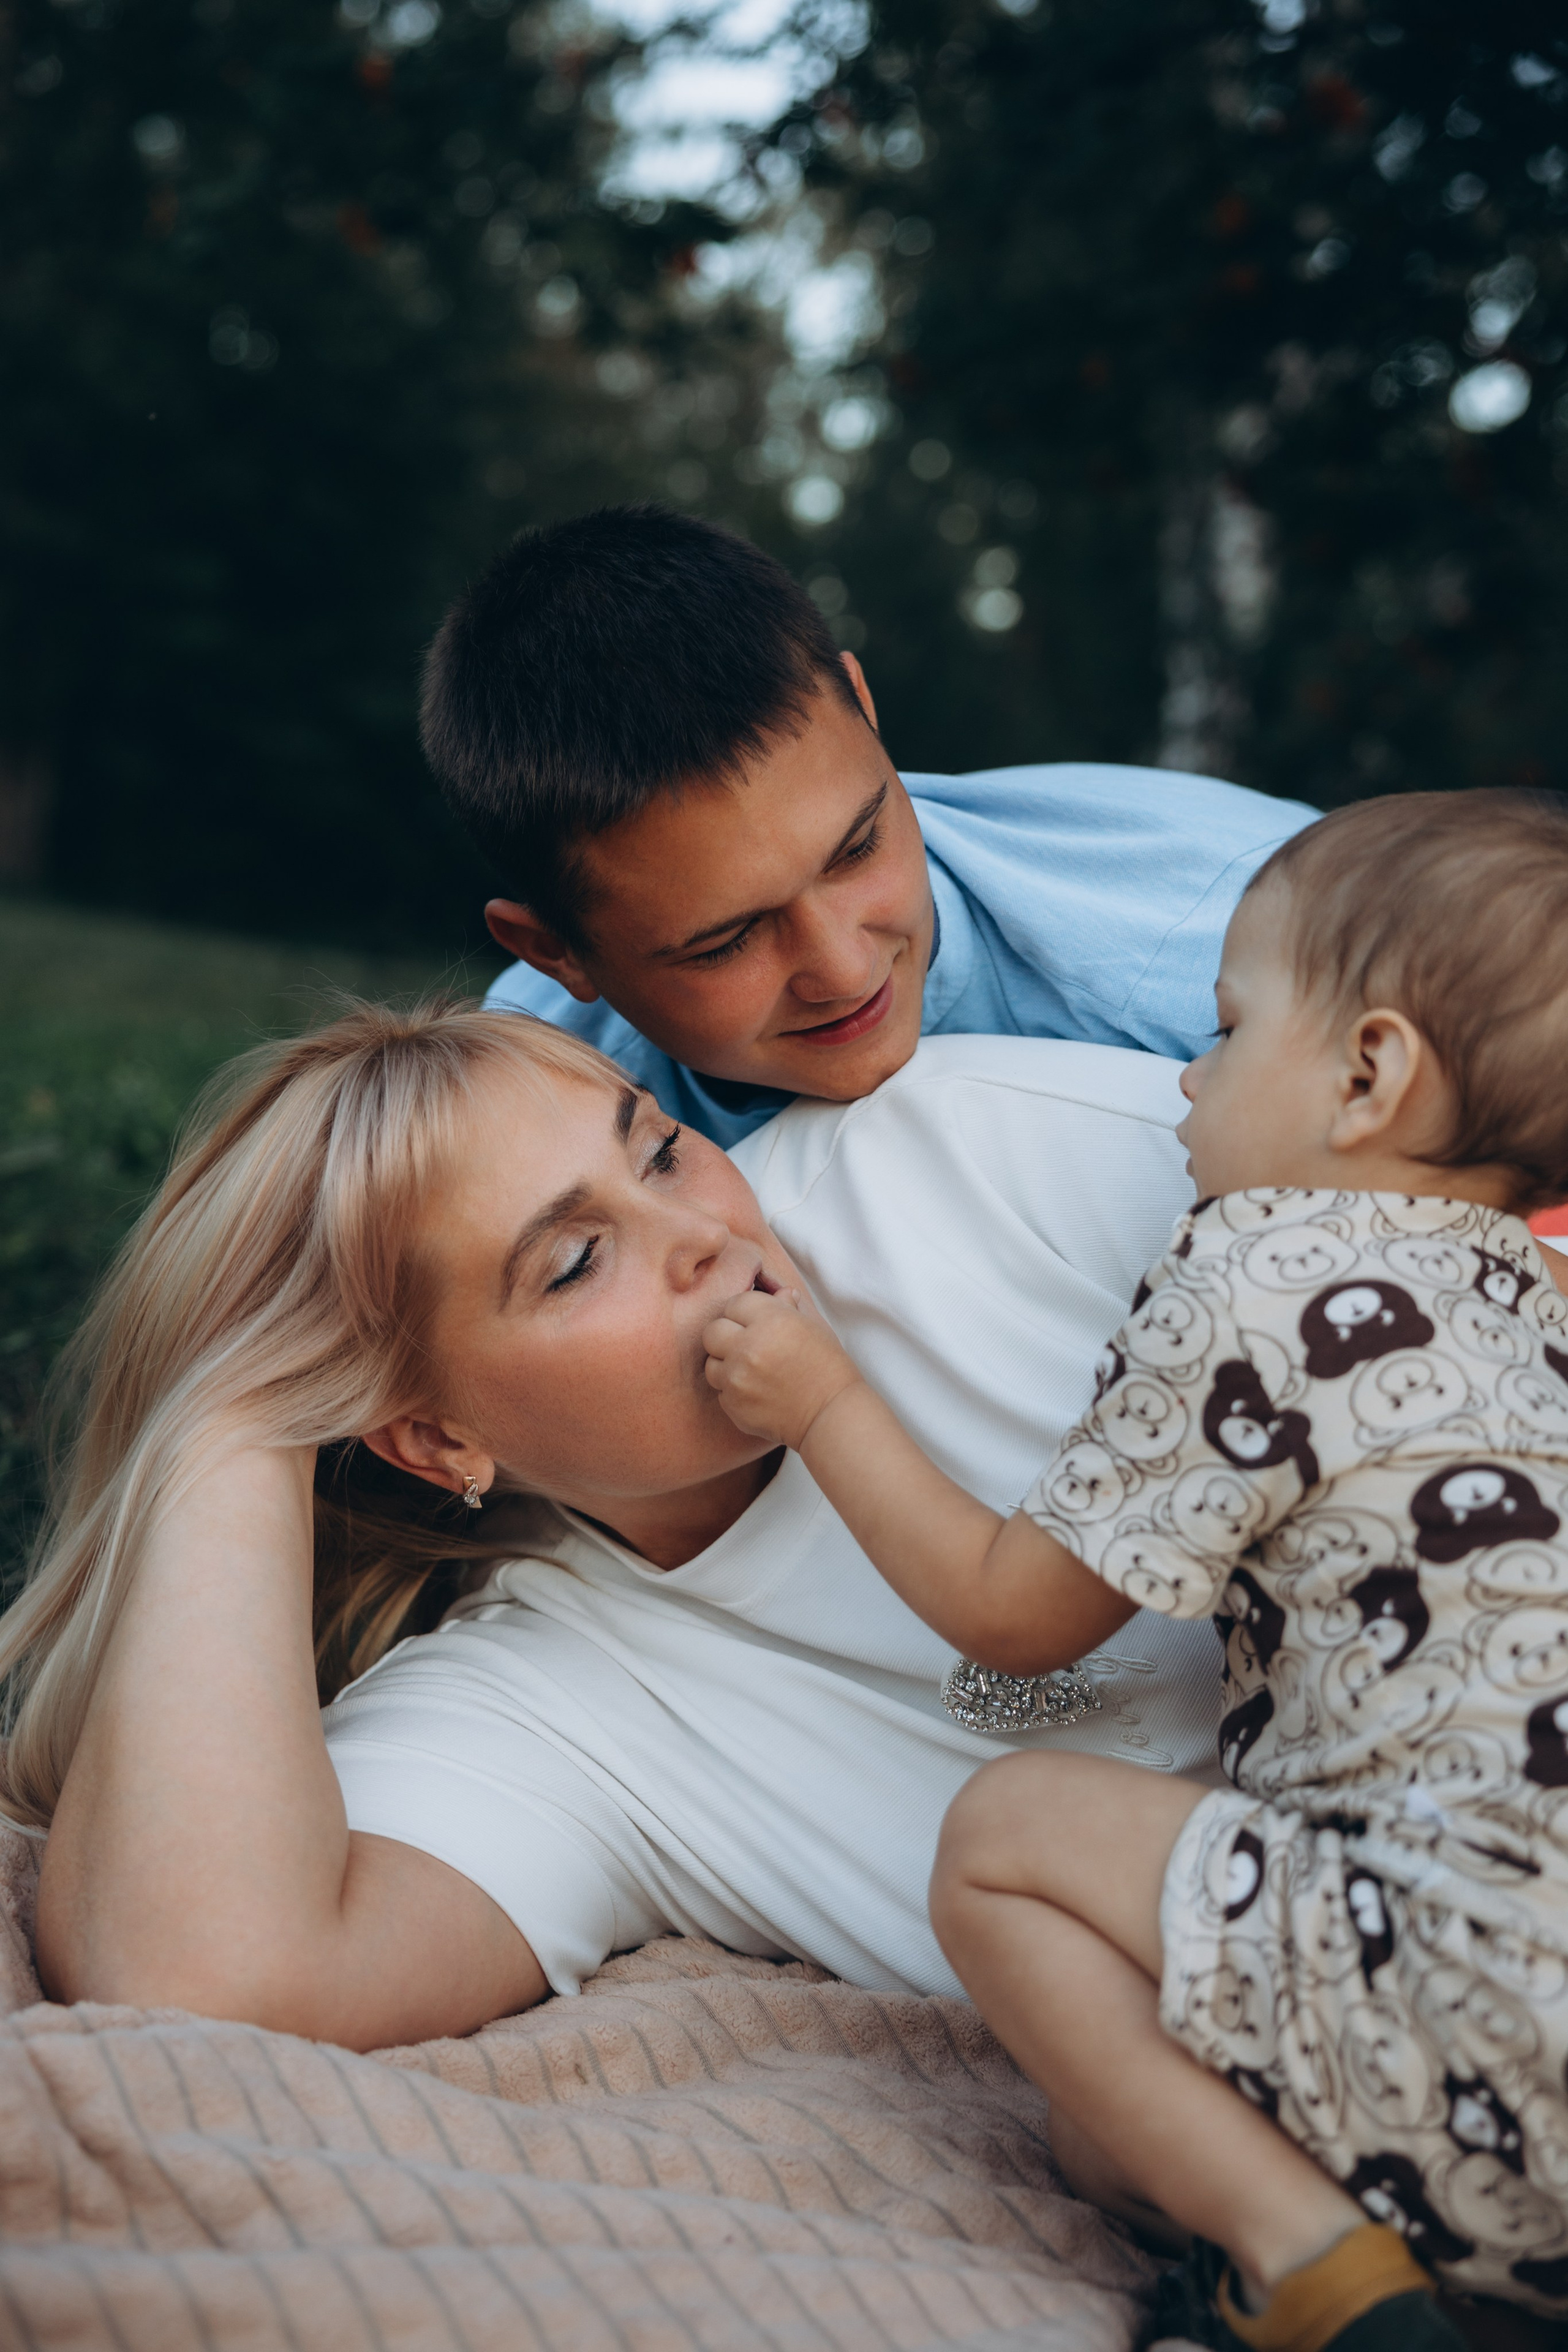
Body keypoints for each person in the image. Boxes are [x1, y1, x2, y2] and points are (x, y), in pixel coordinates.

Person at [701, 788, 1568, 2348]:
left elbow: (1015, 1618)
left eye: (1226, 1032)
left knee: (1007, 1834)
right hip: (1516, 2082)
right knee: (1106, 2129)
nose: (1181, 1077)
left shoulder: (1263, 1262)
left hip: (1461, 1987)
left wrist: (820, 1394)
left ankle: (1320, 2272)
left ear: (1368, 1073)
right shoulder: (1544, 1303)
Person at [9, 995, 1219, 2052]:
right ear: (434, 1441)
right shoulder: (555, 1704)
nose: (703, 1238)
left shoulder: (973, 1164)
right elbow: (206, 1979)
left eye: (660, 1152)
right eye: (579, 1260)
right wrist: (232, 1424)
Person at [419, 504, 1317, 1148]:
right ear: (555, 954)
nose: (845, 970)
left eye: (857, 849)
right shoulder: (532, 1102)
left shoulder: (1261, 939)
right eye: (726, 942)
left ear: (863, 706)